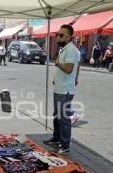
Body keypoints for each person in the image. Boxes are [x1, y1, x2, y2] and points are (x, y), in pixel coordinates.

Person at [43, 24, 80, 154]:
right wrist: (75, 78)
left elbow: (69, 69)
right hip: (60, 88)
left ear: (69, 37)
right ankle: (56, 138)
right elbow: (78, 64)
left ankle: (65, 145)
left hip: (65, 91)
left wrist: (58, 63)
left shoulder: (71, 50)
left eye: (61, 35)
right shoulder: (65, 48)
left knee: (63, 118)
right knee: (57, 115)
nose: (58, 37)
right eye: (57, 34)